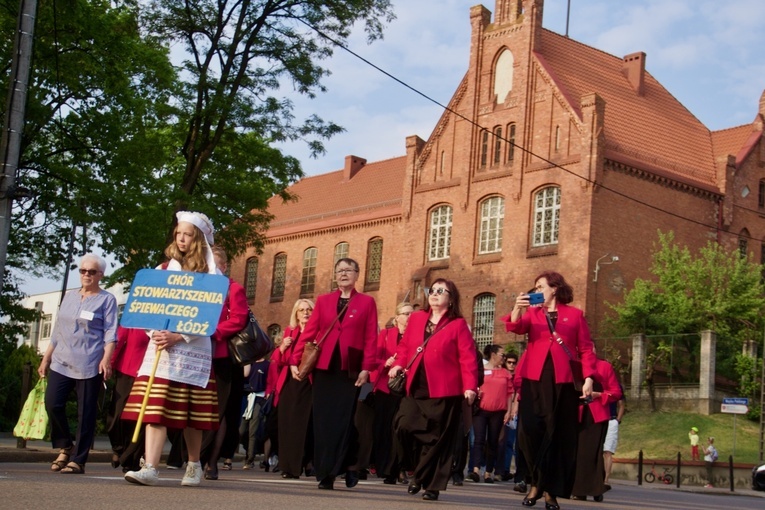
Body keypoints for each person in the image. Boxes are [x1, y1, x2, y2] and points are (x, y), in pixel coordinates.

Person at [122, 211, 221, 487]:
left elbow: (207, 315)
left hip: (192, 350)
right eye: (178, 233)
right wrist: (157, 333)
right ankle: (150, 466)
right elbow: (146, 307)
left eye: (187, 234)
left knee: (191, 414)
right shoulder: (162, 270)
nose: (181, 239)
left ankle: (193, 465)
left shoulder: (211, 275)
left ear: (198, 239)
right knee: (155, 408)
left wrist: (179, 335)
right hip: (161, 351)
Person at [502, 271, 596, 510]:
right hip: (535, 378)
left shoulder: (574, 315)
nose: (536, 290)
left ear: (554, 288)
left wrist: (588, 378)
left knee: (557, 436)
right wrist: (516, 307)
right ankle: (536, 480)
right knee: (529, 433)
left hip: (563, 382)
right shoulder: (533, 313)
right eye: (534, 287)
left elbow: (585, 349)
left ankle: (548, 491)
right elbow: (514, 327)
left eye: (540, 286)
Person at [290, 258, 378, 490]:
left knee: (346, 420)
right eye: (339, 271)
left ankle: (349, 465)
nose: (343, 274)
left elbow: (371, 337)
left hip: (350, 370)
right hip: (324, 369)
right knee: (323, 422)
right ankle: (326, 472)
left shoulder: (367, 302)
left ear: (357, 274)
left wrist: (367, 368)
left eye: (348, 270)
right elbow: (309, 332)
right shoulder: (324, 300)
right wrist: (294, 360)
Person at [389, 278, 479, 502]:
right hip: (416, 385)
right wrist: (399, 363)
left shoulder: (458, 324)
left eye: (441, 291)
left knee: (437, 439)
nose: (435, 293)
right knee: (402, 425)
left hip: (444, 390)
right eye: (433, 290)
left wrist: (470, 387)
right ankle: (416, 471)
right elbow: (405, 346)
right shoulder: (417, 318)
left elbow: (467, 359)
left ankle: (430, 485)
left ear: (450, 298)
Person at [38, 253, 118, 474]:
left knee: (86, 413)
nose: (86, 275)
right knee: (52, 403)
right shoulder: (70, 296)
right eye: (83, 271)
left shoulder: (106, 299)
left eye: (91, 272)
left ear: (100, 274)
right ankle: (65, 446)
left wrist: (106, 359)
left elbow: (110, 333)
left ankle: (78, 459)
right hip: (61, 360)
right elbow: (57, 330)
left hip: (89, 361)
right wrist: (46, 358)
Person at [200, 246, 249, 480]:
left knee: (218, 412)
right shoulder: (199, 287)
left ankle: (211, 462)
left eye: (214, 264)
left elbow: (239, 319)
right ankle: (195, 457)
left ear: (224, 266)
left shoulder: (233, 288)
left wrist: (213, 332)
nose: (210, 269)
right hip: (199, 356)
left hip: (224, 358)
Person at [372, 302, 414, 484]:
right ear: (397, 317)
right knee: (385, 429)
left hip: (407, 388)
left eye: (412, 313)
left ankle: (400, 468)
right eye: (405, 313)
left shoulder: (418, 337)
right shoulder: (386, 334)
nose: (409, 317)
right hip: (385, 387)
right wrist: (385, 363)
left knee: (402, 429)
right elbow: (374, 358)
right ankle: (387, 469)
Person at [570, 356, 622, 501]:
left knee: (592, 452)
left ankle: (594, 488)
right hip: (576, 414)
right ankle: (579, 487)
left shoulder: (604, 366)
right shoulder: (574, 365)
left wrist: (599, 395)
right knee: (577, 452)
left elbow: (616, 393)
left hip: (597, 415)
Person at [275, 299, 315, 479]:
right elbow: (277, 360)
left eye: (309, 310)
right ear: (296, 314)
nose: (305, 313)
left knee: (306, 425)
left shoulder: (318, 332)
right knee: (287, 424)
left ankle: (306, 462)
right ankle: (287, 466)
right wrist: (283, 347)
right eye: (301, 310)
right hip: (289, 383)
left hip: (309, 382)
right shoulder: (290, 332)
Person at [107, 326, 150, 473]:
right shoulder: (134, 317)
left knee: (138, 419)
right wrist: (109, 365)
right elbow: (118, 342)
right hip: (126, 370)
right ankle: (118, 449)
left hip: (148, 373)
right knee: (117, 415)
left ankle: (131, 459)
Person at [469, 345, 513, 484]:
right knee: (478, 440)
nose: (504, 357)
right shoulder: (481, 370)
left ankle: (488, 472)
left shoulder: (505, 373)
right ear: (493, 354)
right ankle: (475, 470)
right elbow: (473, 385)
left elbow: (509, 394)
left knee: (493, 441)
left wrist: (509, 411)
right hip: (481, 410)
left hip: (498, 411)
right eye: (502, 354)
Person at [239, 357, 270, 469]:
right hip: (249, 398)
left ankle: (250, 459)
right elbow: (245, 374)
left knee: (253, 430)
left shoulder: (267, 365)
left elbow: (270, 381)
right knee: (241, 430)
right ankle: (248, 451)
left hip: (260, 398)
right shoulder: (251, 363)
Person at [500, 350, 519, 481]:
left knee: (510, 442)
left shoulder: (517, 377)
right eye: (509, 362)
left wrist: (514, 408)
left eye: (514, 363)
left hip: (514, 411)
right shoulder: (502, 375)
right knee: (499, 441)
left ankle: (506, 469)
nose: (511, 365)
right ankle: (498, 468)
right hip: (501, 409)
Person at [603, 384, 625, 489]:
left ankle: (606, 479)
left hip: (611, 420)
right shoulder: (596, 381)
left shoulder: (616, 385)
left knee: (608, 452)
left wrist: (617, 420)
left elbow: (621, 404)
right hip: (599, 419)